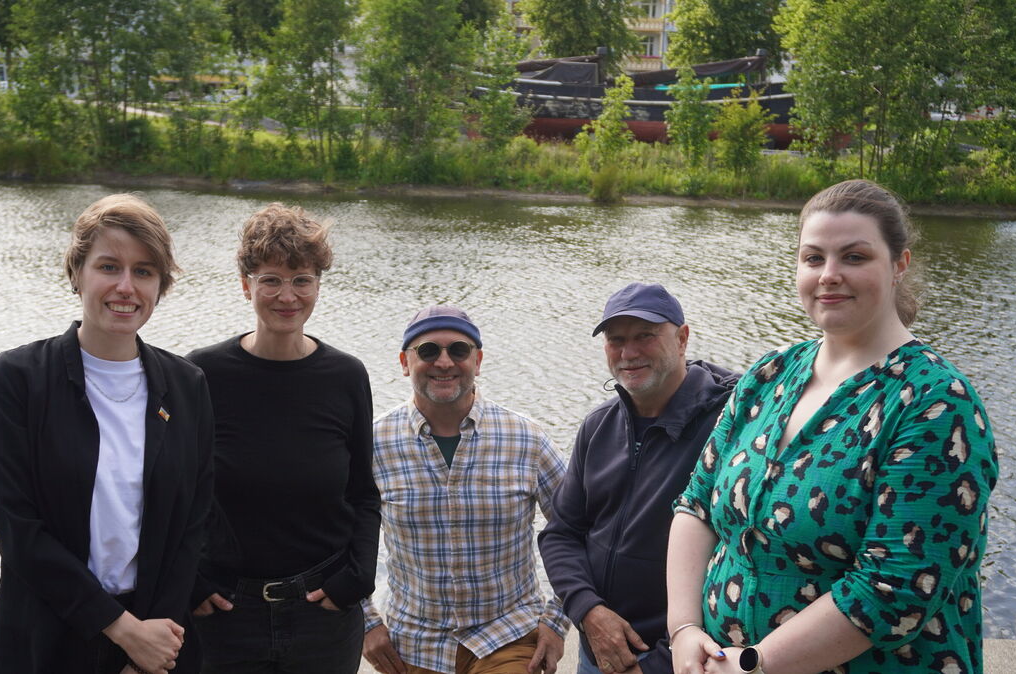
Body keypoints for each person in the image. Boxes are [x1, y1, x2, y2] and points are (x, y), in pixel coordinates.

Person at [667, 179, 998, 674]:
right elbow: (696, 505)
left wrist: (753, 665)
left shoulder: (935, 401)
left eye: (855, 257)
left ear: (898, 266)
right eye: (813, 258)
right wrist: (684, 629)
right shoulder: (769, 374)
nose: (829, 275)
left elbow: (894, 587)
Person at [0, 194, 214, 674]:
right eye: (109, 266)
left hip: (156, 640)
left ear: (160, 285)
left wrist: (152, 640)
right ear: (77, 273)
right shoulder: (17, 379)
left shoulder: (187, 386)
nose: (126, 286)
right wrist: (123, 629)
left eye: (145, 271)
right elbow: (17, 528)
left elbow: (193, 524)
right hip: (45, 635)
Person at [187, 203, 380, 673]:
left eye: (302, 279)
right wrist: (190, 580)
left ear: (318, 285)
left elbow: (362, 494)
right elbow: (176, 491)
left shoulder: (345, 375)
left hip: (323, 618)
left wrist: (357, 578)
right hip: (227, 616)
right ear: (246, 284)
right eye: (271, 279)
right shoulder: (203, 373)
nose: (287, 295)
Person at [538, 283, 739, 674]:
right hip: (598, 651)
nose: (629, 353)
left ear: (682, 338)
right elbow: (560, 533)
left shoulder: (729, 423)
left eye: (645, 336)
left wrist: (662, 661)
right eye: (617, 340)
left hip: (683, 658)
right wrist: (589, 612)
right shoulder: (598, 427)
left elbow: (742, 555)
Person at [361, 306, 570, 674]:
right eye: (428, 351)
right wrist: (366, 623)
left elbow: (578, 530)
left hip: (509, 633)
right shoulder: (373, 443)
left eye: (458, 350)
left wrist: (556, 622)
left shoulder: (527, 439)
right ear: (404, 362)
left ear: (478, 360)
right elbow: (339, 537)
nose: (444, 362)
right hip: (411, 641)